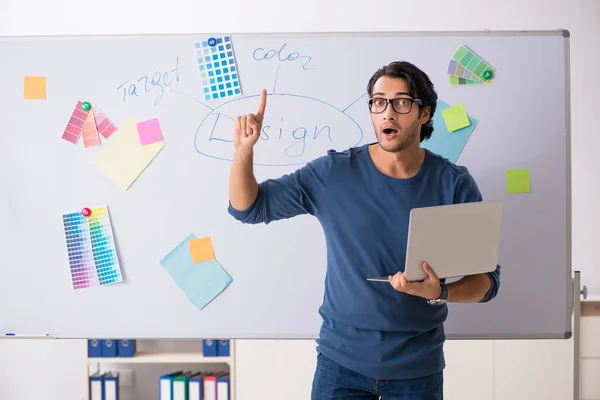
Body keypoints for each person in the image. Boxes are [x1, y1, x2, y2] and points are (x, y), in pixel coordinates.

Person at [227, 61, 501, 400]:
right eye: (378, 102)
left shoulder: (454, 184)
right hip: (340, 367)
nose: (388, 113)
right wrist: (243, 151)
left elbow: (486, 283)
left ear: (424, 114)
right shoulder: (333, 174)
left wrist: (439, 291)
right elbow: (250, 208)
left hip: (418, 371)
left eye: (401, 102)